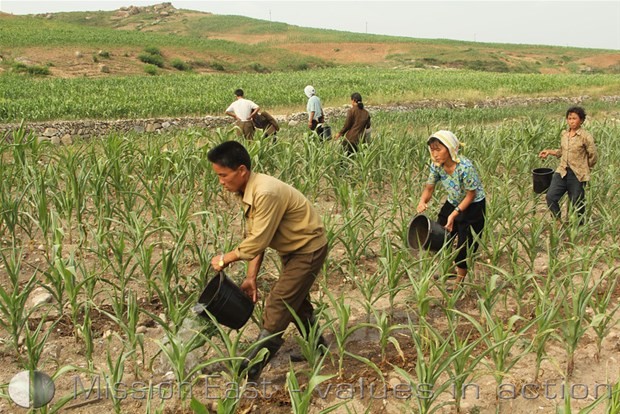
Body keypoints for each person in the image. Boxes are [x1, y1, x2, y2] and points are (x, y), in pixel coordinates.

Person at [208, 141, 328, 381]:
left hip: (308, 249)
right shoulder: (250, 190)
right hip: (294, 249)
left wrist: (225, 259)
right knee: (297, 302)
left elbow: (258, 241)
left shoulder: (265, 192)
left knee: (279, 302)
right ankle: (319, 348)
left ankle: (253, 367)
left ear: (241, 170)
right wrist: (251, 277)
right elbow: (258, 236)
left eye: (224, 175)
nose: (221, 182)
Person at [416, 130, 486, 291]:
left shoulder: (465, 167)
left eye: (438, 149)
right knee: (440, 235)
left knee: (464, 246)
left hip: (473, 206)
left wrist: (454, 214)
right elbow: (429, 188)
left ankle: (459, 284)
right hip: (453, 201)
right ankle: (448, 268)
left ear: (450, 148)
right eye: (432, 149)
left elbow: (470, 195)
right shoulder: (437, 166)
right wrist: (422, 201)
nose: (435, 154)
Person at [539, 106, 597, 225]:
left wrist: (586, 168)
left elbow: (593, 155)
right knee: (551, 196)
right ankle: (558, 221)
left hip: (578, 174)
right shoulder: (564, 134)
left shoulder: (585, 136)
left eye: (574, 118)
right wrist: (549, 152)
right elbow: (562, 151)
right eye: (569, 118)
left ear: (581, 120)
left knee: (577, 202)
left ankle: (580, 227)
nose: (571, 121)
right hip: (562, 171)